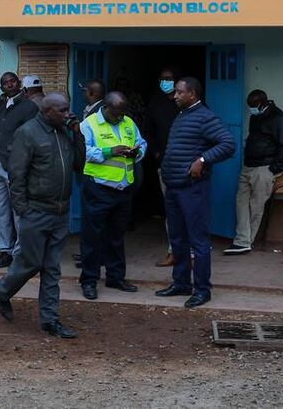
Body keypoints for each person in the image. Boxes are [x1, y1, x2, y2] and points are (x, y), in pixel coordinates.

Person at [0, 93, 85, 338]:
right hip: (36, 211)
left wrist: (77, 134)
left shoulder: (65, 131)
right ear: (47, 111)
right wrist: (23, 209)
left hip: (60, 212)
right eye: (62, 111)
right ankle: (2, 289)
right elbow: (16, 174)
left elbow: (80, 165)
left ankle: (49, 320)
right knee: (31, 263)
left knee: (52, 268)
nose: (67, 114)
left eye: (68, 110)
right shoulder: (28, 133)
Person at [155, 77, 235, 308]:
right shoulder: (182, 115)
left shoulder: (205, 117)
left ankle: (202, 289)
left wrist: (203, 159)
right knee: (178, 239)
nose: (175, 95)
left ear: (193, 94)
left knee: (198, 241)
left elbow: (227, 144)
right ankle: (181, 283)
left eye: (180, 92)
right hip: (174, 188)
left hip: (192, 190)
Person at [78, 91, 147, 300]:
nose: (119, 118)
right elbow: (83, 152)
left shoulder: (128, 122)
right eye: (116, 114)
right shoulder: (88, 125)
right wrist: (111, 151)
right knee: (92, 237)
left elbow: (142, 143)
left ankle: (115, 277)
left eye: (122, 113)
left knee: (117, 236)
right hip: (98, 189)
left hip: (122, 190)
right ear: (106, 108)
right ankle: (89, 281)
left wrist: (137, 152)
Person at [224, 89, 283, 256]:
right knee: (241, 203)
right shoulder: (256, 116)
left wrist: (274, 169)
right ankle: (242, 240)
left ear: (262, 103)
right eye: (250, 106)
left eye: (253, 106)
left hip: (264, 168)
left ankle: (245, 242)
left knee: (256, 206)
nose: (251, 109)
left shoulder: (279, 118)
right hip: (248, 166)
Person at [0, 72, 40, 269]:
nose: (8, 85)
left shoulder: (29, 107)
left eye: (12, 81)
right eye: (5, 83)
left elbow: (32, 136)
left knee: (19, 210)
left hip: (16, 165)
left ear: (19, 84)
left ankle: (20, 253)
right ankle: (5, 250)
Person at [144, 67, 180, 267]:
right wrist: (156, 153)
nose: (166, 82)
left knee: (188, 211)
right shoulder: (155, 103)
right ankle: (174, 251)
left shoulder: (190, 108)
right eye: (163, 78)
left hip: (187, 167)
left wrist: (200, 161)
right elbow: (147, 132)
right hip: (165, 164)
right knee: (171, 209)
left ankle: (187, 253)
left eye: (170, 79)